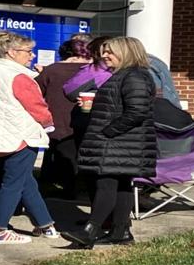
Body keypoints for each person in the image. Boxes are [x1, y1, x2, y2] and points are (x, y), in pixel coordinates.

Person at [64, 37, 156, 248]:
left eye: (110, 52)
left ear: (126, 53)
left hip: (119, 142)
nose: (104, 56)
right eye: (104, 51)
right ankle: (120, 231)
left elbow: (137, 111)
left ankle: (91, 231)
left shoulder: (134, 76)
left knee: (105, 184)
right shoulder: (126, 75)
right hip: (122, 142)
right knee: (122, 185)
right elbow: (125, 105)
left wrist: (108, 131)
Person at [0, 31, 59, 244]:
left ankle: (45, 224)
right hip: (20, 136)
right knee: (13, 184)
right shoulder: (20, 76)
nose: (32, 56)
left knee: (24, 181)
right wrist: (49, 125)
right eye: (28, 51)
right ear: (11, 52)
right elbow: (38, 107)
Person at [35, 35, 91, 199]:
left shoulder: (52, 69)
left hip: (58, 121)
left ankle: (63, 187)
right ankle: (80, 187)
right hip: (87, 121)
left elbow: (36, 91)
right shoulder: (96, 70)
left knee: (60, 156)